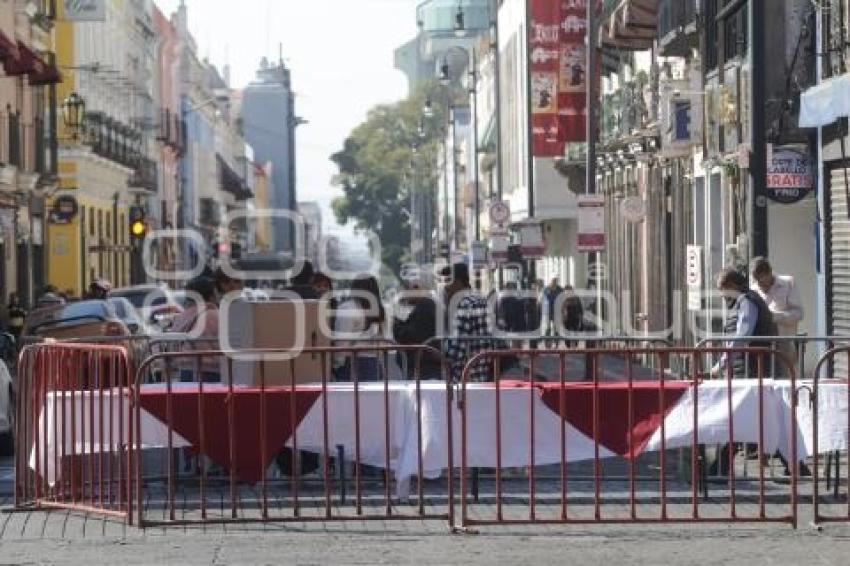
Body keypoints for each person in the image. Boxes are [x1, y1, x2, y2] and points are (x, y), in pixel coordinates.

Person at [711, 268, 777, 379]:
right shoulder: (746, 299)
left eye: (722, 289)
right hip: (749, 367)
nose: (721, 295)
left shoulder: (747, 301)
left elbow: (742, 336)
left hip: (751, 369)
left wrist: (721, 365)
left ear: (732, 286)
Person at [750, 257, 804, 373]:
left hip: (784, 343)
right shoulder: (753, 289)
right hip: (762, 346)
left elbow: (799, 314)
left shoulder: (788, 283)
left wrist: (774, 317)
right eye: (757, 281)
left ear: (769, 273)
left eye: (763, 281)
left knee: (786, 379)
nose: (761, 285)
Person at [443, 263, 493, 383]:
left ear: (459, 282)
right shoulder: (481, 300)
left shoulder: (464, 305)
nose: (445, 287)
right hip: (484, 374)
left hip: (464, 379)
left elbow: (456, 350)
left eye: (448, 281)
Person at [333, 274, 386, 381]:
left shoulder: (348, 308)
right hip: (374, 363)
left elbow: (342, 342)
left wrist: (336, 365)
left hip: (351, 364)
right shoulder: (380, 310)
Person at [169, 276, 220, 382]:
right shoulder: (215, 316)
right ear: (211, 296)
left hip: (184, 371)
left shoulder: (181, 317)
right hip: (212, 372)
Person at [393, 278, 441, 379]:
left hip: (423, 366)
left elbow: (412, 336)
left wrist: (397, 325)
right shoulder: (426, 306)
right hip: (424, 364)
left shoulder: (425, 307)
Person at [543, 278, 564, 346]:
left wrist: (563, 310)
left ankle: (556, 342)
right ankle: (548, 343)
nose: (554, 282)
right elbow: (543, 299)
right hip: (548, 311)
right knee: (548, 328)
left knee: (556, 328)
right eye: (553, 281)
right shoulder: (546, 289)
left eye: (555, 281)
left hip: (557, 311)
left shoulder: (560, 289)